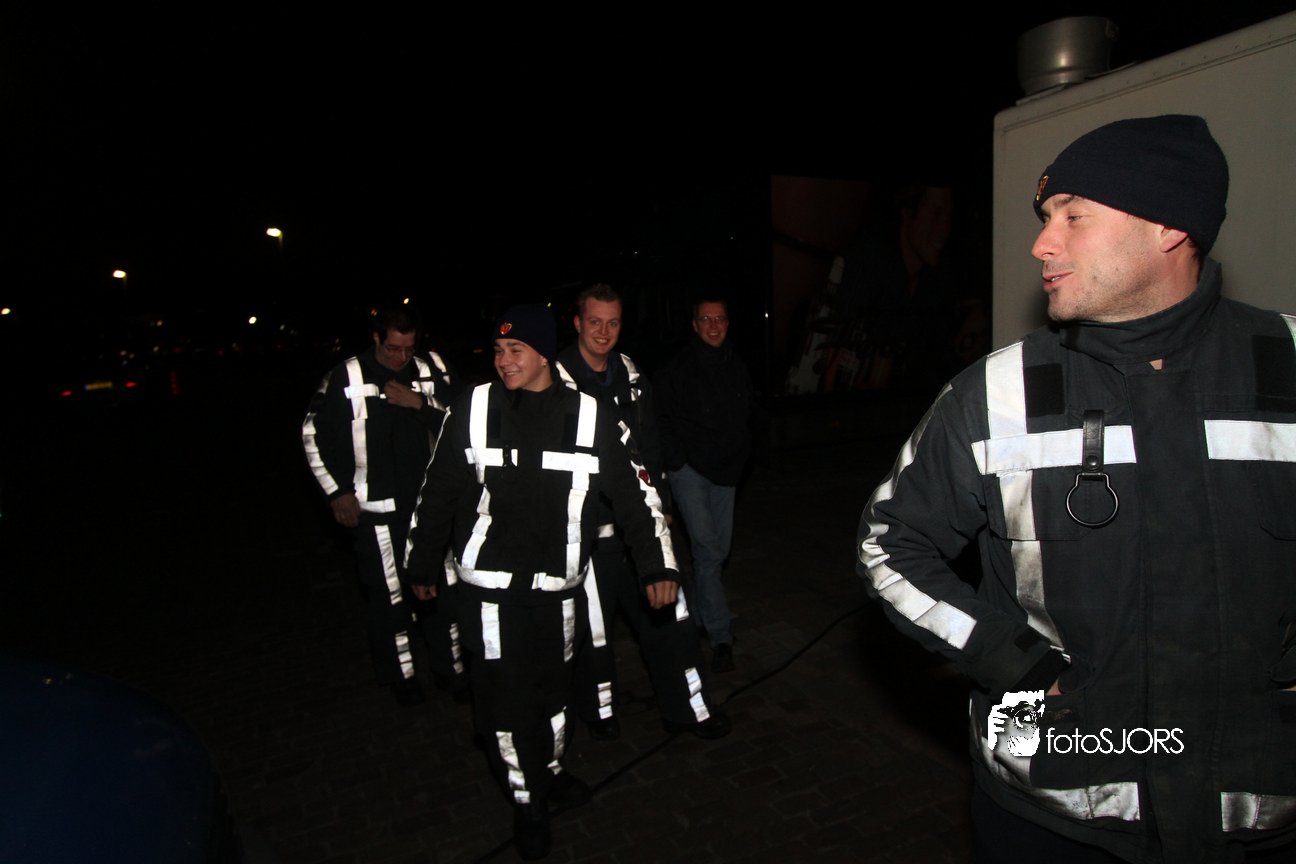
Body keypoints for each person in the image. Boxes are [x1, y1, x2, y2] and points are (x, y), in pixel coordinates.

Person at [857, 115, 1296, 863]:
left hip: (1259, 810)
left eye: (1073, 217)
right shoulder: (995, 394)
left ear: (1169, 226)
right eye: (1044, 218)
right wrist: (1014, 661)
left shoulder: (1285, 366)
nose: (1042, 244)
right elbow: (888, 546)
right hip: (1051, 811)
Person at [403, 303, 678, 860]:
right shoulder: (473, 408)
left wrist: (658, 565)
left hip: (558, 591)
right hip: (489, 593)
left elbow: (636, 495)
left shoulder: (589, 416)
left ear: (544, 354)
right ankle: (527, 799)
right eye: (498, 350)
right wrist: (421, 564)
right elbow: (438, 492)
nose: (503, 361)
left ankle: (547, 771)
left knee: (553, 695)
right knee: (505, 702)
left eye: (516, 350)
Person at [557, 285, 730, 741]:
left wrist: (664, 506)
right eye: (595, 322)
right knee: (593, 632)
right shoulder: (555, 380)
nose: (603, 331)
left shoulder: (632, 376)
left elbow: (650, 443)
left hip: (641, 525)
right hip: (586, 531)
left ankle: (689, 709)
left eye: (612, 322)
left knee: (671, 618)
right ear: (578, 322)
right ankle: (599, 714)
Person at [302, 304, 464, 707]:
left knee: (445, 592)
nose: (401, 357)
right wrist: (336, 492)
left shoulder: (431, 368)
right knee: (391, 598)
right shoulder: (346, 376)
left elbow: (462, 422)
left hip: (430, 507)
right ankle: (402, 677)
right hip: (376, 511)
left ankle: (451, 671)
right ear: (376, 338)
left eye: (409, 348)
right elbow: (312, 434)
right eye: (393, 348)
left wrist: (420, 404)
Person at [656, 297, 753, 673]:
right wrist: (677, 462)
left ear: (727, 323)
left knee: (716, 552)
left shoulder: (736, 365)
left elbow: (747, 414)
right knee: (709, 552)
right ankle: (720, 637)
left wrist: (744, 452)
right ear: (695, 325)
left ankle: (697, 617)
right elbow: (660, 419)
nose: (714, 325)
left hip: (726, 472)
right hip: (690, 472)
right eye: (706, 319)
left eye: (720, 319)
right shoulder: (678, 368)